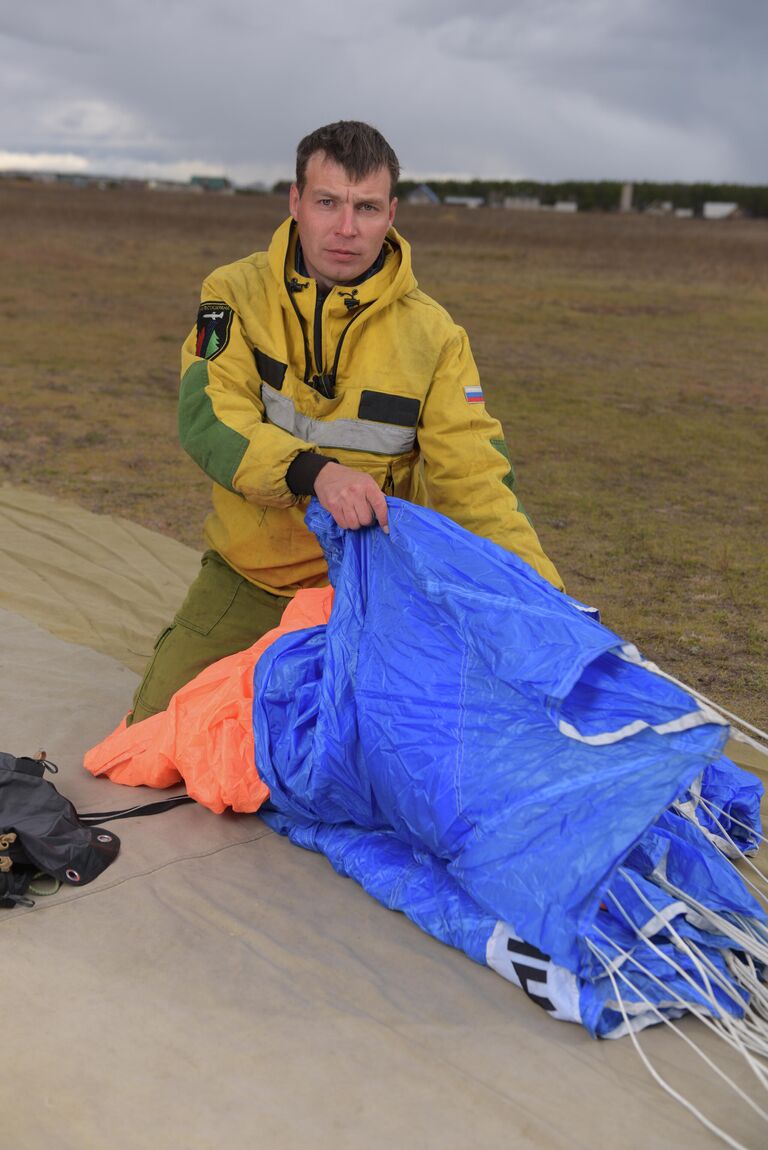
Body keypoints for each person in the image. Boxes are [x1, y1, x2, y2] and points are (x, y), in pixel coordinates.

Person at [127, 120, 563, 726]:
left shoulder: (436, 336)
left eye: (366, 207)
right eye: (328, 202)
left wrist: (547, 601)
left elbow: (478, 481)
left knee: (373, 763)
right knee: (157, 735)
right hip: (255, 575)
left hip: (374, 590)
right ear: (296, 202)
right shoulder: (227, 294)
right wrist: (314, 472)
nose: (346, 227)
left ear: (391, 215)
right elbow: (208, 414)